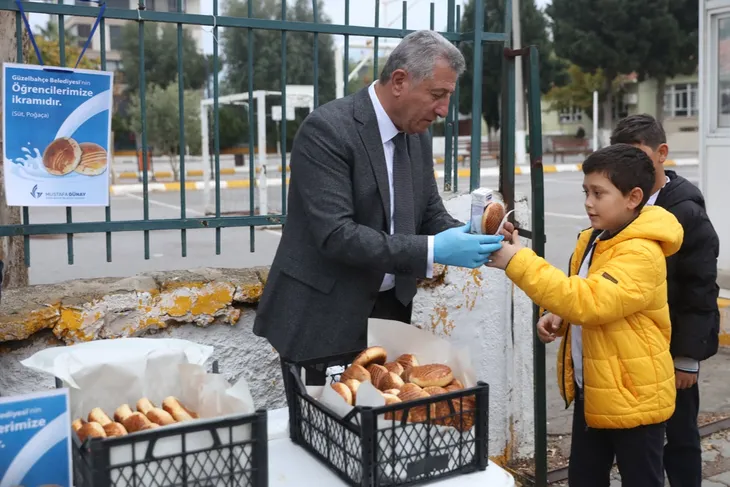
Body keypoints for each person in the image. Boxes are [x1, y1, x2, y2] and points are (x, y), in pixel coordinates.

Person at [253, 30, 504, 364]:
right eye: (436, 94)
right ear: (399, 81)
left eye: (448, 97)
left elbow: (430, 214)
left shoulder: (417, 136)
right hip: (322, 318)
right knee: (325, 415)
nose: (444, 110)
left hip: (389, 315)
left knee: (382, 415)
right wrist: (434, 249)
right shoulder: (327, 130)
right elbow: (336, 235)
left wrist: (475, 233)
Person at [488, 144, 684, 487]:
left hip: (634, 399)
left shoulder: (641, 252)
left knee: (641, 480)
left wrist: (516, 260)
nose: (588, 202)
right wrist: (560, 317)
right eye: (586, 192)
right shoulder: (598, 238)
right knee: (585, 478)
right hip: (594, 388)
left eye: (599, 193)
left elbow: (589, 301)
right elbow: (590, 294)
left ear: (633, 197)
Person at [610, 114, 720, 487]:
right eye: (620, 156)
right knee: (642, 446)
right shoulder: (620, 203)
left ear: (662, 154)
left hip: (672, 351)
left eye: (637, 155)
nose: (629, 166)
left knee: (680, 439)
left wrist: (687, 358)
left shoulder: (686, 211)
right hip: (633, 350)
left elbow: (700, 288)